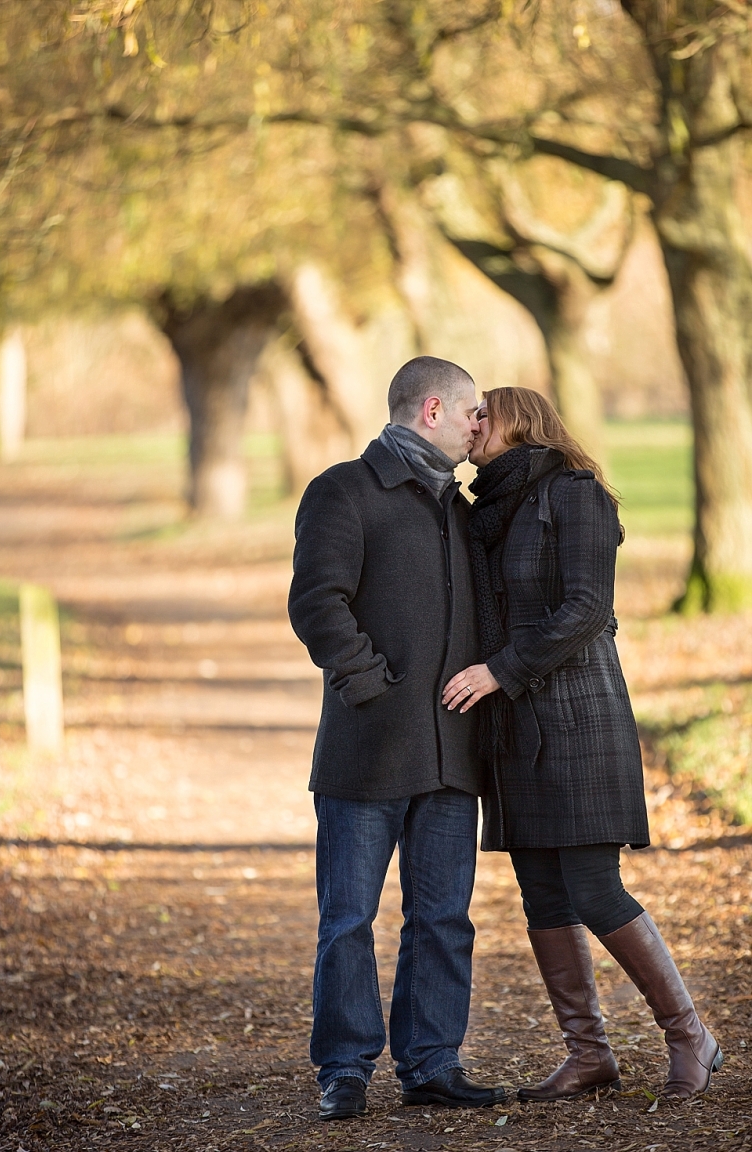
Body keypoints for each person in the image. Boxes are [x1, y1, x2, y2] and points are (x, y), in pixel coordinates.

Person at [443, 386, 722, 1102]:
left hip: (579, 719)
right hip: (513, 726)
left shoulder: (575, 495)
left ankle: (690, 1035)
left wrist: (499, 670)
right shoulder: (481, 514)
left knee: (595, 889)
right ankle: (588, 1053)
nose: (473, 425)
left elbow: (587, 608)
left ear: (522, 423)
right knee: (542, 894)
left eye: (485, 414)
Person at [288, 356, 505, 1120]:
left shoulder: (461, 505)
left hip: (452, 752)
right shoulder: (343, 489)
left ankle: (432, 1062)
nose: (481, 425)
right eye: (474, 411)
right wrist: (371, 686)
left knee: (443, 917)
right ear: (435, 409)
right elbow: (318, 603)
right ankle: (344, 1068)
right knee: (347, 918)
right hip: (367, 749)